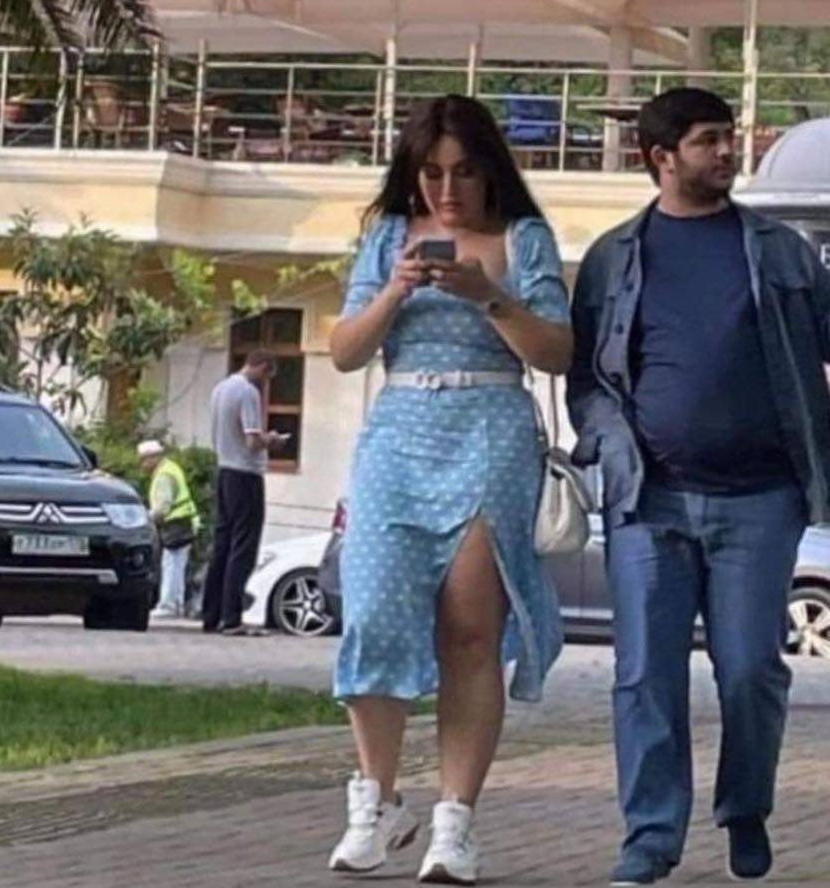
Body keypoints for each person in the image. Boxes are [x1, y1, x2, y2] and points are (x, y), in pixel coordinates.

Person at [566, 87, 830, 887]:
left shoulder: (781, 252)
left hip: (763, 500)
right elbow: (588, 378)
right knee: (645, 674)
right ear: (662, 157)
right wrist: (609, 444)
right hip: (649, 501)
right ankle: (650, 837)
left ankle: (745, 806)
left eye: (728, 137)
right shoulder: (614, 257)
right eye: (709, 140)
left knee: (750, 670)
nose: (726, 152)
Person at [327, 94, 573, 885]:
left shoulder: (522, 239)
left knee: (469, 631)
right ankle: (375, 799)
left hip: (488, 429)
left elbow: (556, 352)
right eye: (431, 173)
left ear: (490, 171)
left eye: (464, 172)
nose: (446, 190)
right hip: (399, 430)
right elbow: (344, 351)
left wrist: (486, 294)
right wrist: (395, 289)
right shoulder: (387, 238)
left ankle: (455, 821)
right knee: (371, 613)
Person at [201, 349, 287, 636]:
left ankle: (211, 614)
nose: (266, 382)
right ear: (262, 366)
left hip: (224, 470)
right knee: (243, 547)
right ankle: (232, 617)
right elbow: (252, 440)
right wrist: (271, 439)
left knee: (222, 545)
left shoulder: (220, 388)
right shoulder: (248, 392)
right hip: (245, 474)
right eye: (267, 375)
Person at [138, 439, 199, 618]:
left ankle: (168, 605)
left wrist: (144, 519)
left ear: (153, 458)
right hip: (184, 523)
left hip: (175, 525)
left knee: (171, 565)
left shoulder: (163, 475)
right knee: (177, 565)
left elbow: (162, 508)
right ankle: (176, 604)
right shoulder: (171, 468)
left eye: (143, 459)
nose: (142, 464)